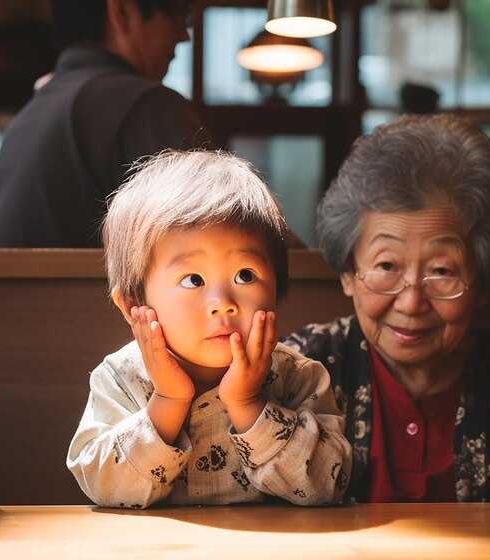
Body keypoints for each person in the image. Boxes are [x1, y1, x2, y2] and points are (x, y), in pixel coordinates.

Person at [283, 114, 490, 503]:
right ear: (348, 273)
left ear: (482, 281)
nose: (412, 303)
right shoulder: (300, 369)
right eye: (386, 266)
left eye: (442, 271)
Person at [67, 150, 351, 508]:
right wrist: (168, 400)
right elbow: (104, 488)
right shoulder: (120, 379)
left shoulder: (297, 377)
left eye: (245, 275)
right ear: (132, 305)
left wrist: (250, 404)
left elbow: (327, 486)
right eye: (193, 279)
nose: (223, 302)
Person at [0, 0, 214, 248]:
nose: (184, 34)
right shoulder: (149, 105)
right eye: (177, 14)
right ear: (120, 11)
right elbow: (211, 244)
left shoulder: (32, 111)